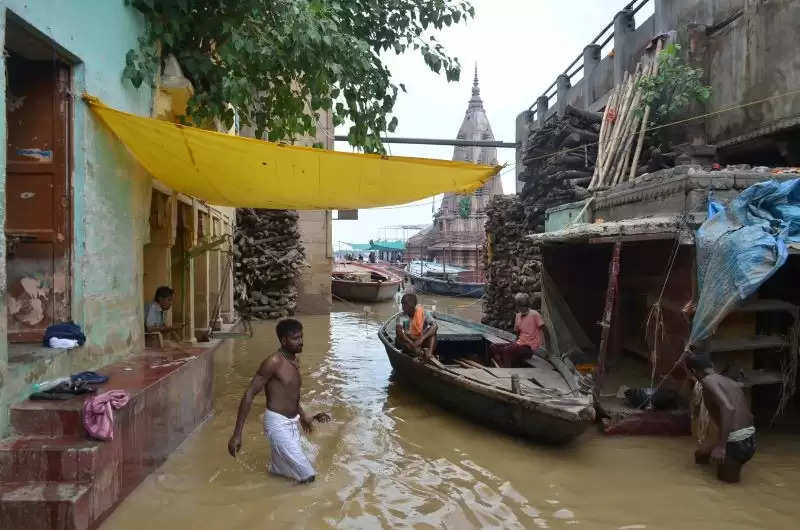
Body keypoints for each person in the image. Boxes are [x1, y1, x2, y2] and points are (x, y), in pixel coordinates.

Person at [227, 319, 330, 483]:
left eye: (301, 337)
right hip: (277, 424)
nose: (301, 342)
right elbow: (249, 394)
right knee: (308, 476)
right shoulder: (273, 362)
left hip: (292, 422)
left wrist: (304, 417)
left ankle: (269, 493)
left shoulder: (295, 361)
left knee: (282, 473)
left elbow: (292, 395)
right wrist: (237, 434)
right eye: (296, 338)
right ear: (283, 340)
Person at [686, 352, 756, 483]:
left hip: (735, 441)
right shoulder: (729, 382)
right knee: (700, 456)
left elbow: (728, 408)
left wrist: (721, 446)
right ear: (712, 366)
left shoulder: (707, 381)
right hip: (750, 438)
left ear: (694, 372)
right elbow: (747, 415)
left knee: (726, 488)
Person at [490, 293, 549, 368]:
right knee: (494, 346)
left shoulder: (535, 314)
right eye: (520, 306)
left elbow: (544, 329)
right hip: (519, 344)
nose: (521, 308)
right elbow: (517, 332)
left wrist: (547, 347)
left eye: (524, 306)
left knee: (507, 351)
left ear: (527, 305)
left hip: (529, 348)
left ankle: (507, 371)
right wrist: (514, 343)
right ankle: (503, 365)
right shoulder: (518, 316)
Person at [395, 293, 438, 362]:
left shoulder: (423, 312)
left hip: (421, 340)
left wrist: (421, 339)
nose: (403, 307)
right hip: (410, 342)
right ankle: (421, 353)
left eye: (405, 305)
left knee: (433, 333)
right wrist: (412, 344)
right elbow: (399, 332)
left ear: (412, 306)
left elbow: (435, 326)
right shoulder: (402, 316)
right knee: (399, 339)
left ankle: (429, 353)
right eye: (402, 304)